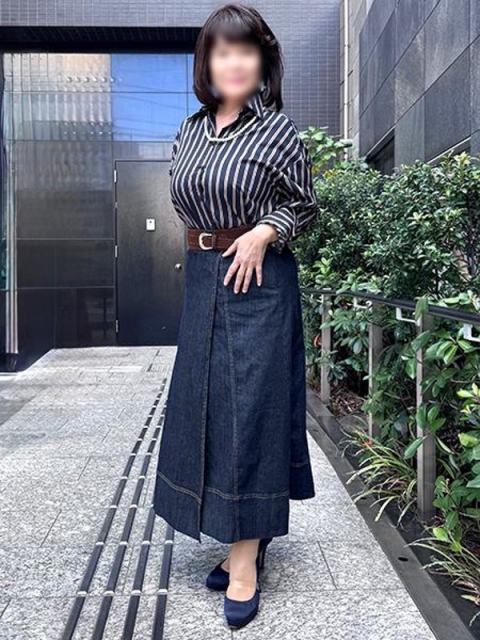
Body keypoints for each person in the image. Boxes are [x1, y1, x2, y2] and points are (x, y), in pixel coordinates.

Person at [153, 2, 319, 629]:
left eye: (246, 50)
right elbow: (186, 201)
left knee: (250, 413)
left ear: (262, 61)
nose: (235, 62)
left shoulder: (277, 131)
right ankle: (244, 527)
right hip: (204, 280)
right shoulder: (190, 130)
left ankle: (244, 557)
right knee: (205, 408)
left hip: (259, 282)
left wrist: (264, 231)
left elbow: (304, 205)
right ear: (208, 62)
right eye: (223, 51)